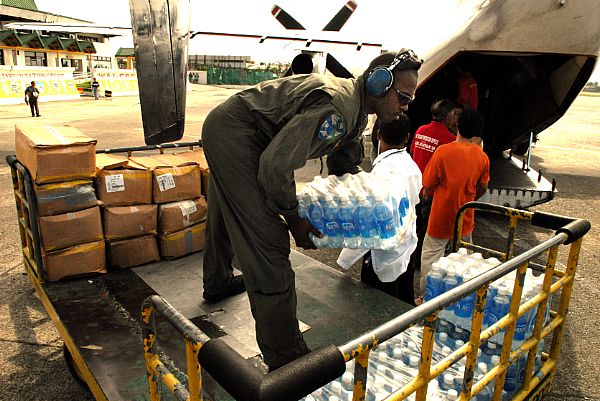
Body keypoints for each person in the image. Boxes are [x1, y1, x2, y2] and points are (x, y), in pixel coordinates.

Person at [201, 49, 422, 371]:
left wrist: (366, 194)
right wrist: (292, 219)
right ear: (378, 84)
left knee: (227, 213)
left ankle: (217, 281)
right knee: (267, 242)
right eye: (403, 97)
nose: (405, 106)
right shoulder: (339, 108)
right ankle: (286, 357)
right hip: (237, 135)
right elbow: (275, 166)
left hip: (235, 129)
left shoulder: (356, 110)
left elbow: (344, 159)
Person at [336, 115, 422, 305]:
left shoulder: (382, 172)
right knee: (403, 304)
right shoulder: (412, 167)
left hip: (384, 257)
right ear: (407, 138)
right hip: (407, 247)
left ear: (378, 134)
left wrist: (346, 257)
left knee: (378, 310)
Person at [419, 109, 490, 295]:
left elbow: (427, 184)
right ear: (476, 132)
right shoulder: (482, 156)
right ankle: (460, 294)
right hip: (465, 216)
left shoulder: (443, 152)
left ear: (457, 126)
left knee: (431, 255)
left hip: (441, 215)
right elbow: (483, 186)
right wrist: (471, 199)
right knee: (463, 257)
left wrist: (428, 193)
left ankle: (426, 296)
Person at [409, 99, 456, 303]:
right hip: (430, 191)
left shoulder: (420, 130)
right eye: (454, 114)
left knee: (415, 224)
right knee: (427, 230)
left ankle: (413, 258)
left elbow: (413, 152)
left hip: (416, 185)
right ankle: (420, 262)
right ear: (447, 117)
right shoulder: (448, 139)